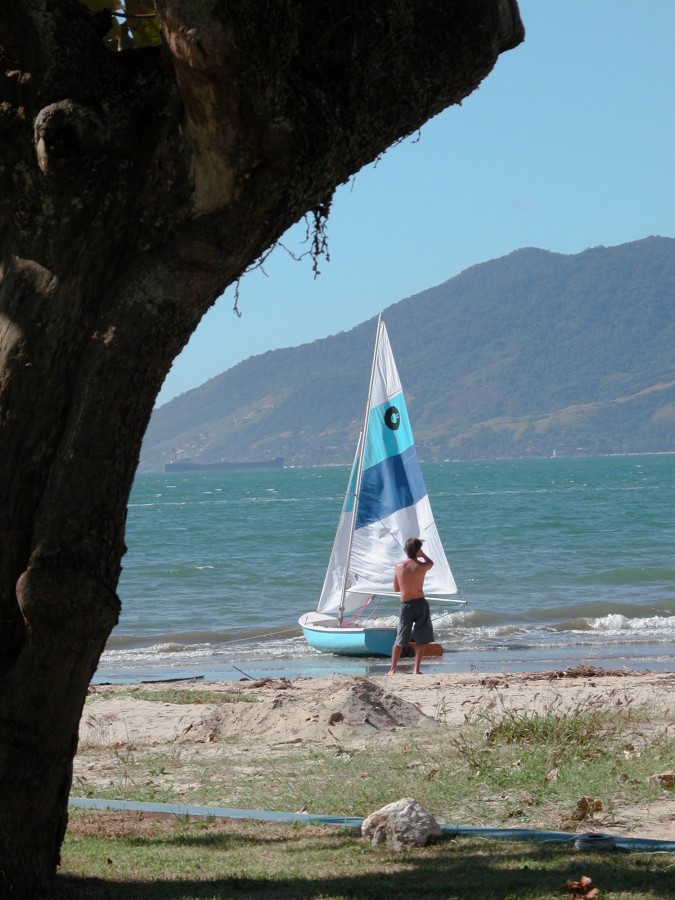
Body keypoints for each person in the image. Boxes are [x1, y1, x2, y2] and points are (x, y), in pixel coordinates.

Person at [387, 537, 434, 675]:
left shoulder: (398, 566)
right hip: (420, 603)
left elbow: (396, 588)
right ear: (418, 550)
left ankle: (392, 669)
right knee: (421, 638)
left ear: (405, 550)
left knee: (401, 637)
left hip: (406, 605)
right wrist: (423, 555)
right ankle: (416, 669)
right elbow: (431, 563)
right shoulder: (421, 566)